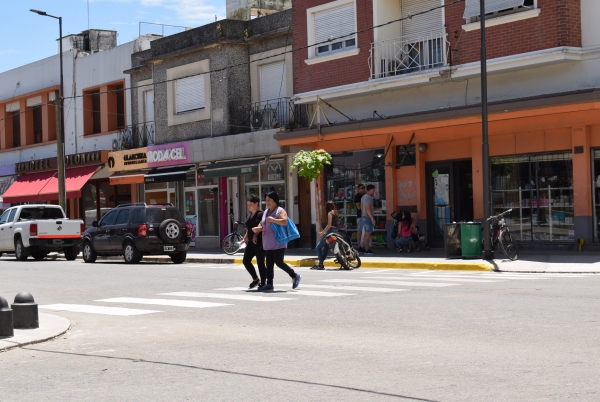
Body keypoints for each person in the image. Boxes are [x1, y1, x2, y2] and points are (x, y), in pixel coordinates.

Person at [253, 191, 301, 291]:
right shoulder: (266, 212)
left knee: (279, 262)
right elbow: (262, 224)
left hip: (278, 242)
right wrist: (256, 232)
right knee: (269, 264)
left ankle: (294, 275)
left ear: (275, 201)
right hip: (267, 242)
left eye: (269, 200)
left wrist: (274, 220)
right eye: (266, 200)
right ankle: (269, 284)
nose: (267, 202)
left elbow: (284, 221)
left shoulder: (280, 211)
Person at [241, 194, 265, 289]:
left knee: (260, 263)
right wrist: (244, 238)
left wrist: (255, 235)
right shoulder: (250, 215)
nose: (248, 206)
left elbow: (260, 226)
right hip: (251, 243)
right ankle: (255, 279)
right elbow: (249, 228)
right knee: (246, 261)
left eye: (250, 204)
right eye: (247, 204)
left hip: (259, 242)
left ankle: (263, 282)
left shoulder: (261, 214)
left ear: (256, 204)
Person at [312, 201, 341, 270]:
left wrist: (322, 232)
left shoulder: (330, 213)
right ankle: (320, 262)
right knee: (325, 247)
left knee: (318, 248)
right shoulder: (336, 213)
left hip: (331, 231)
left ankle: (321, 264)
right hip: (336, 231)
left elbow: (329, 225)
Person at [361, 184, 376, 255]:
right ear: (370, 190)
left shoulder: (363, 197)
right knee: (368, 234)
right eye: (373, 190)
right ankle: (367, 249)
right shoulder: (368, 197)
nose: (374, 191)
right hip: (367, 217)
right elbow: (367, 209)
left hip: (364, 217)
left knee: (366, 234)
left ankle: (366, 248)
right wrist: (372, 218)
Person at [354, 184, 366, 252]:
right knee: (359, 231)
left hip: (365, 215)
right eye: (362, 188)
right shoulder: (357, 196)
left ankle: (364, 245)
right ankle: (359, 246)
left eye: (364, 188)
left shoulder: (364, 196)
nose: (363, 189)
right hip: (360, 216)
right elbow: (358, 207)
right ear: (358, 189)